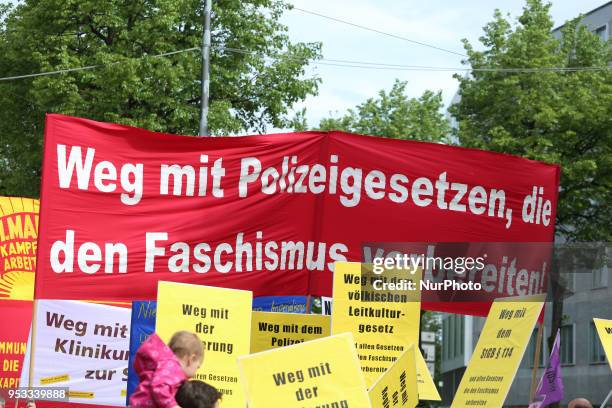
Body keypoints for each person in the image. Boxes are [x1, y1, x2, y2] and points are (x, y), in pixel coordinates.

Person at [130, 331, 204, 408]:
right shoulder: (173, 367)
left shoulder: (167, 366)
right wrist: (172, 405)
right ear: (191, 359)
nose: (195, 373)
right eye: (197, 367)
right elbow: (159, 386)